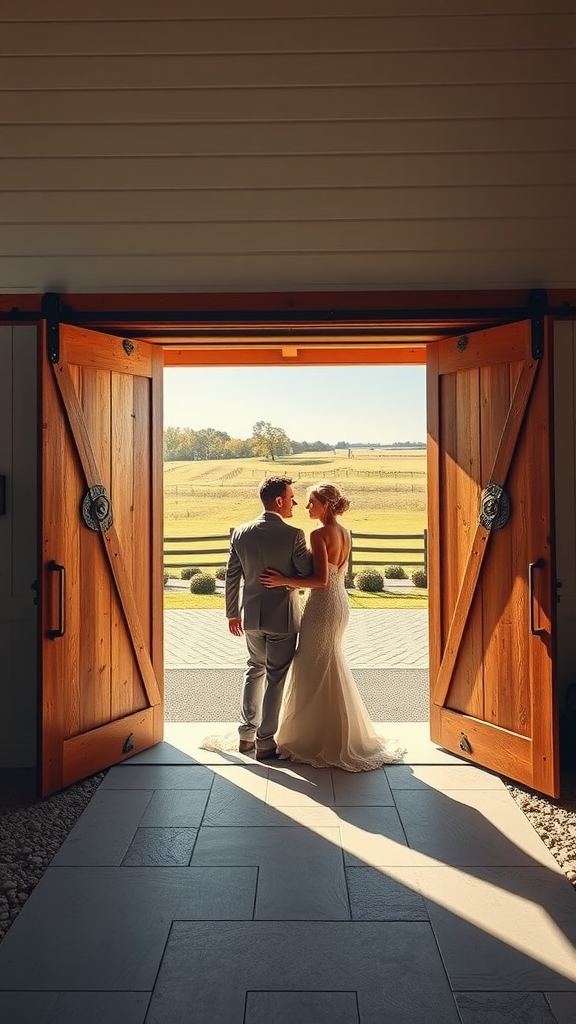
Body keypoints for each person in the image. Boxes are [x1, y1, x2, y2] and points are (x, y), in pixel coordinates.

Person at [260, 482, 405, 771]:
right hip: (341, 604)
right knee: (327, 664)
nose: (307, 506)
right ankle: (337, 732)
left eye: (312, 502)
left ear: (325, 505)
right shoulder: (345, 532)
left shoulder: (318, 534)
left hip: (323, 606)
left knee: (313, 666)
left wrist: (283, 581)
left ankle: (313, 737)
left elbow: (320, 580)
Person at [225, 476, 313, 760]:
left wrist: (231, 613)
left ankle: (245, 734)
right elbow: (306, 575)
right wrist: (287, 580)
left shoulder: (240, 532)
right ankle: (265, 741)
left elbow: (232, 576)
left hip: (250, 617)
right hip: (283, 619)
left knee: (254, 669)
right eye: (291, 497)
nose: (294, 503)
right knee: (275, 677)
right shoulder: (293, 535)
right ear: (279, 501)